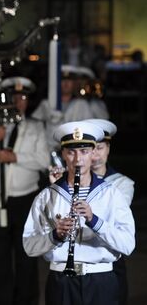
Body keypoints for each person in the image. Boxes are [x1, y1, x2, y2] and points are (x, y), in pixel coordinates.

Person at [23, 121, 135, 305]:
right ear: (63, 155)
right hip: (61, 282)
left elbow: (128, 244)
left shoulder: (111, 193)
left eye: (84, 152)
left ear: (93, 153)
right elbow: (29, 245)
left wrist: (94, 220)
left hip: (101, 281)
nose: (77, 160)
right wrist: (55, 236)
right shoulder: (47, 196)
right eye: (71, 152)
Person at [0, 76, 49, 305]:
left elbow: (44, 160)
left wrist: (15, 157)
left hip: (25, 198)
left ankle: (27, 300)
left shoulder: (35, 126)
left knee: (26, 255)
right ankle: (4, 300)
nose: (18, 101)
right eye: (14, 97)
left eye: (23, 97)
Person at [86, 118, 135, 305]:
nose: (96, 155)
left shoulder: (123, 183)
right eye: (91, 149)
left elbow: (110, 218)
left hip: (110, 262)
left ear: (108, 149)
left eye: (101, 148)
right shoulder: (67, 182)